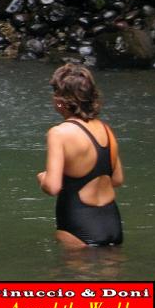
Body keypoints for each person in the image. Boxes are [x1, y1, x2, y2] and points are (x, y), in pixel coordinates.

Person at [37, 64, 124, 247]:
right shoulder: (106, 129)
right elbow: (117, 180)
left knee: (74, 266)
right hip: (112, 223)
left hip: (79, 224)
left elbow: (52, 187)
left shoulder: (59, 133)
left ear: (61, 100)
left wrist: (43, 178)